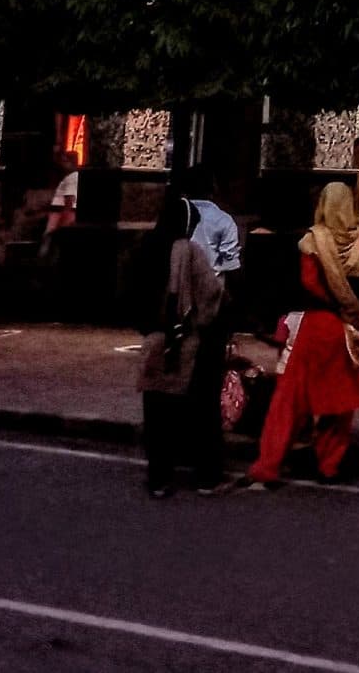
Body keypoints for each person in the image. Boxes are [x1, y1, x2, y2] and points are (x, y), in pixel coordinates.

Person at [248, 183, 359, 489]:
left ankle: (267, 468)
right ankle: (329, 465)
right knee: (338, 402)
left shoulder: (313, 240)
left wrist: (332, 295)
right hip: (346, 331)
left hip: (314, 327)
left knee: (289, 400)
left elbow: (309, 282)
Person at [139, 195, 229, 497]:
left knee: (156, 412)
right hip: (187, 343)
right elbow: (211, 296)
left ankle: (159, 479)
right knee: (201, 409)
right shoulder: (190, 252)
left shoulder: (146, 249)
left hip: (154, 342)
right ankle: (207, 477)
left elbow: (130, 295)